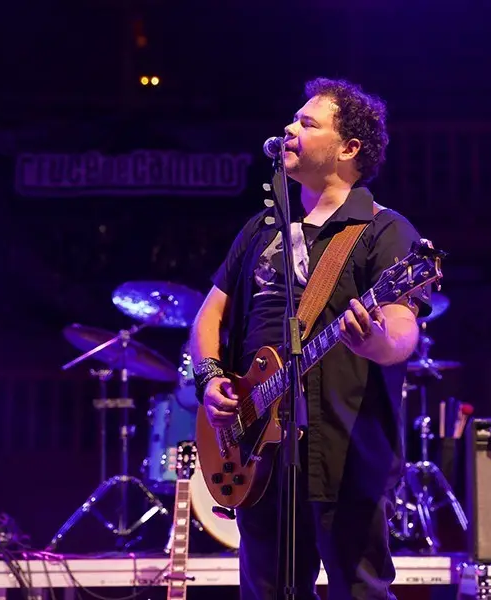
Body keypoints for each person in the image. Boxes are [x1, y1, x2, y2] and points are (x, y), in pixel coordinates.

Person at [189, 77, 432, 600]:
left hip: (342, 452)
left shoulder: (383, 231)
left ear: (348, 149)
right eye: (292, 120)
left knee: (360, 590)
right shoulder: (260, 228)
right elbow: (208, 317)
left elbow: (402, 329)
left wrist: (374, 343)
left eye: (307, 122)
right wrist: (209, 378)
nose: (289, 128)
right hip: (256, 450)